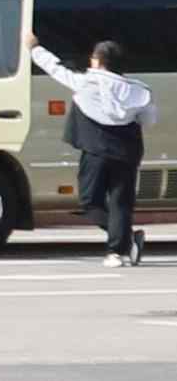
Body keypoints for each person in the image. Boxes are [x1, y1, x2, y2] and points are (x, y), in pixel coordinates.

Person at [34, 33, 150, 265]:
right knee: (120, 203)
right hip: (127, 151)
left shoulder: (85, 82)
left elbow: (55, 68)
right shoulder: (139, 90)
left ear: (97, 61)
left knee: (90, 201)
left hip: (96, 150)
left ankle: (122, 244)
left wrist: (34, 48)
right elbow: (148, 119)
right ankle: (119, 249)